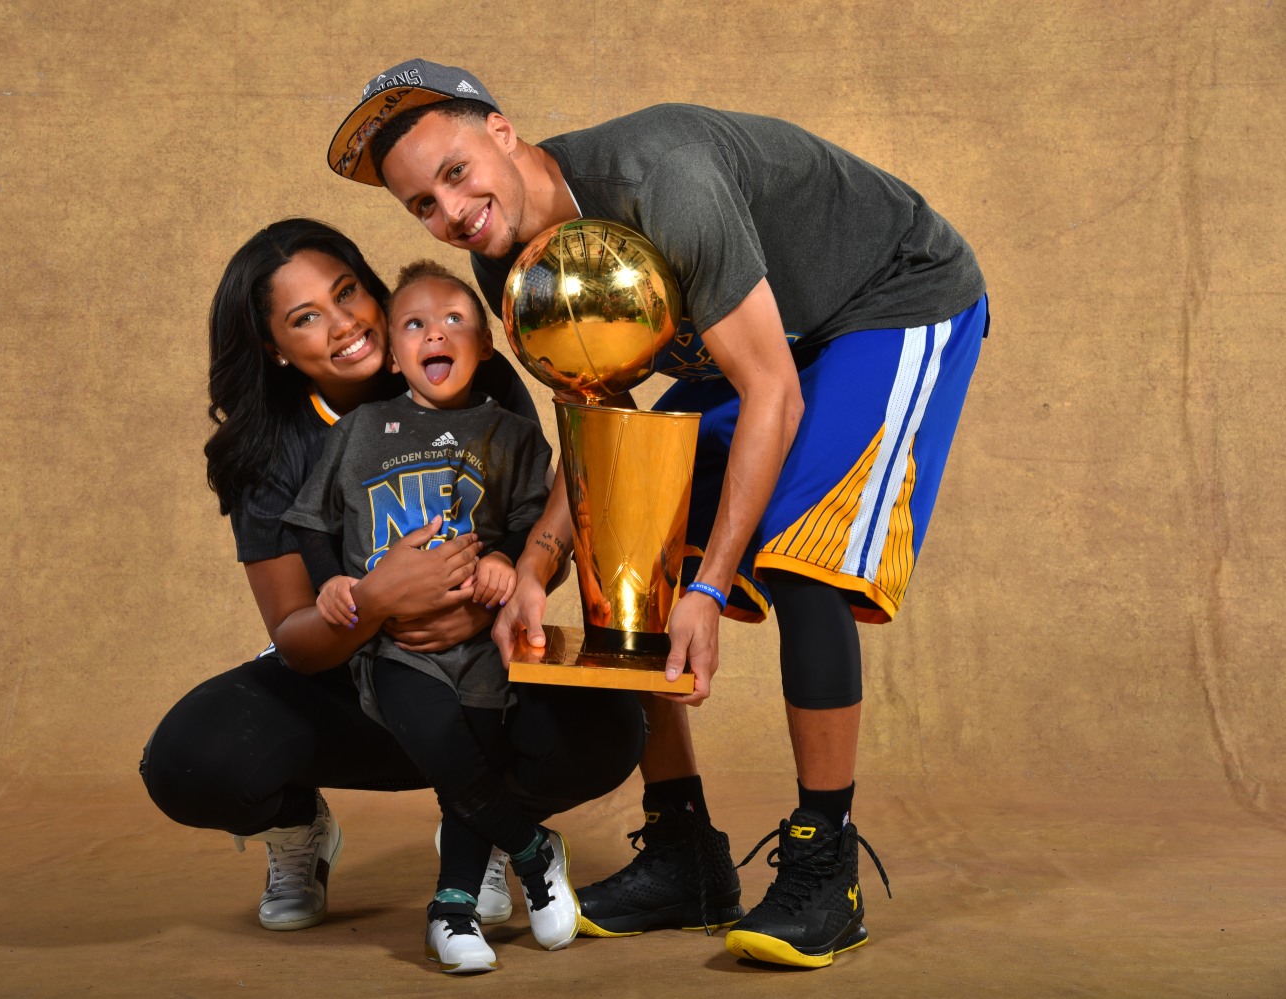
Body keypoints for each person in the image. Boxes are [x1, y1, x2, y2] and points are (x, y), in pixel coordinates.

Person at [326, 60, 988, 968]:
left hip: (888, 297)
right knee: (629, 543)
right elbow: (602, 421)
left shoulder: (662, 181)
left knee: (800, 559)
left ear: (504, 131)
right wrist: (539, 561)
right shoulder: (501, 260)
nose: (452, 211)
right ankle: (684, 852)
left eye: (454, 172)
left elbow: (771, 393)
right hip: (772, 336)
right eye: (422, 208)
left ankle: (825, 863)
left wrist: (711, 588)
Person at [138, 219, 644, 944]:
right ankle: (300, 830)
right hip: (355, 679)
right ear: (277, 350)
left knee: (609, 725)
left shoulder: (454, 358)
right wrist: (378, 600)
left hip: (477, 665)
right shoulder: (271, 451)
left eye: (348, 293)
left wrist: (501, 585)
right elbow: (297, 639)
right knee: (192, 759)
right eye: (306, 318)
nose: (342, 324)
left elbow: (536, 523)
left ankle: (489, 827)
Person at [284, 260, 581, 971]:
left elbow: (533, 522)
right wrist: (331, 585)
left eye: (455, 320)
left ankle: (452, 908)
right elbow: (310, 523)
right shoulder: (359, 429)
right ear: (392, 353)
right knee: (444, 742)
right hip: (394, 647)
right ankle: (533, 849)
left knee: (472, 759)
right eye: (413, 323)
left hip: (481, 644)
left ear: (483, 347)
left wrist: (509, 561)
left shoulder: (509, 434)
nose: (434, 333)